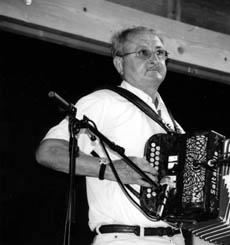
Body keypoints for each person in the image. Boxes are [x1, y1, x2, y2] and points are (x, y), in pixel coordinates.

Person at [35, 26, 186, 245]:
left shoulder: (174, 125)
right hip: (126, 239)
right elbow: (48, 151)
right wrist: (112, 170)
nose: (154, 59)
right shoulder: (103, 101)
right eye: (143, 52)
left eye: (160, 52)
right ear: (119, 63)